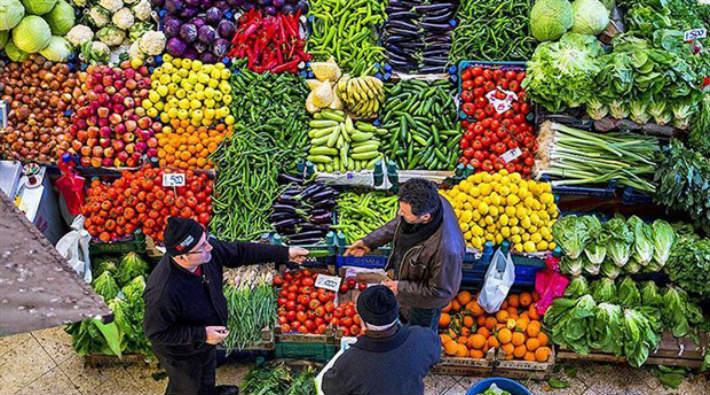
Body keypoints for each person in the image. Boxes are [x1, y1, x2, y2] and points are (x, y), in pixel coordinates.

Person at [143, 217, 309, 395]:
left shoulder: (205, 253)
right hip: (182, 352)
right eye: (202, 247)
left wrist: (285, 253)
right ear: (182, 256)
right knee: (188, 387)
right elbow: (156, 333)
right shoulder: (162, 292)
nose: (210, 247)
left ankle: (209, 390)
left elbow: (240, 252)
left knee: (206, 373)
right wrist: (202, 334)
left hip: (205, 340)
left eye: (206, 240)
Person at [345, 178, 465, 330]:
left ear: (425, 217)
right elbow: (401, 223)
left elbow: (441, 292)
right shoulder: (433, 202)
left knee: (418, 331)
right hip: (409, 283)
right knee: (403, 316)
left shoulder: (447, 250)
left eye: (404, 212)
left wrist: (401, 288)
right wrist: (369, 242)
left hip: (424, 304)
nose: (398, 213)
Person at [319, 285, 441, 395]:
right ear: (396, 312)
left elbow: (329, 388)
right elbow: (434, 356)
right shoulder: (423, 338)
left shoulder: (348, 363)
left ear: (361, 321)